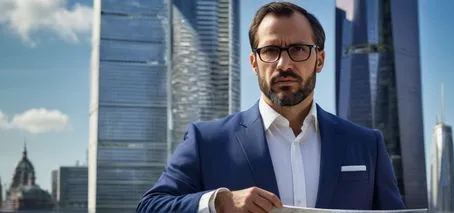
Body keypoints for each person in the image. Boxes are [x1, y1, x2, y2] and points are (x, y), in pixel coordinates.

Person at [136, 2, 405, 213]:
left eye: (298, 49)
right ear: (254, 63)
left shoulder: (367, 144)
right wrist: (218, 203)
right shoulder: (206, 141)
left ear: (319, 60)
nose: (283, 64)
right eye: (271, 50)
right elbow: (150, 206)